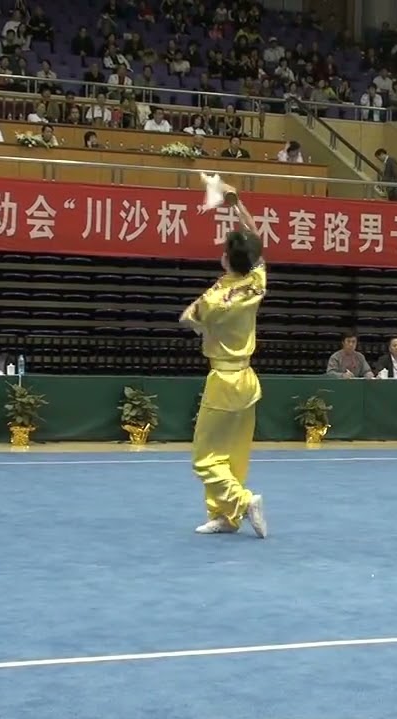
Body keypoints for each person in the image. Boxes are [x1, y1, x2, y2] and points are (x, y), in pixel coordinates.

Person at [179, 187, 269, 538]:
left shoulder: (214, 298)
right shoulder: (257, 280)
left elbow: (187, 318)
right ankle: (225, 516)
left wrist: (204, 326)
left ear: (227, 259)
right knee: (232, 454)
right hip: (247, 379)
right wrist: (238, 205)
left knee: (204, 457)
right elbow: (255, 236)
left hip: (223, 380)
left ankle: (242, 501)